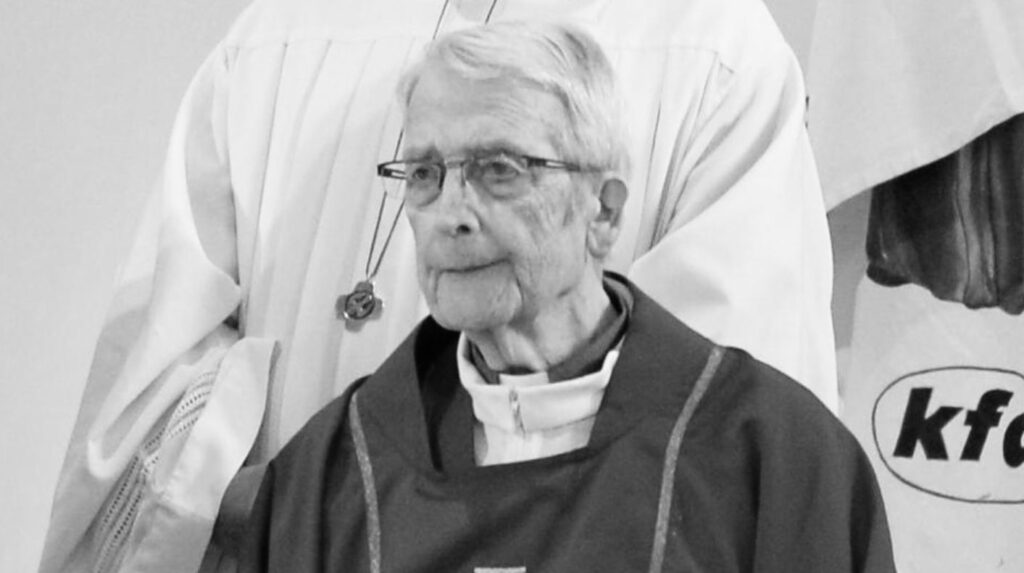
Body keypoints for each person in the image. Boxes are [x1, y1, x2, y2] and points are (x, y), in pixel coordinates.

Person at [41, 0, 838, 571]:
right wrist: (314, 506)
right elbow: (147, 395)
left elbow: (723, 449)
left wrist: (395, 510)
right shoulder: (275, 36)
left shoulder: (713, 51)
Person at [240, 21, 893, 572]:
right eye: (425, 174)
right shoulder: (327, 478)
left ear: (604, 211)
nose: (451, 215)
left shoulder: (772, 459)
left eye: (500, 170)